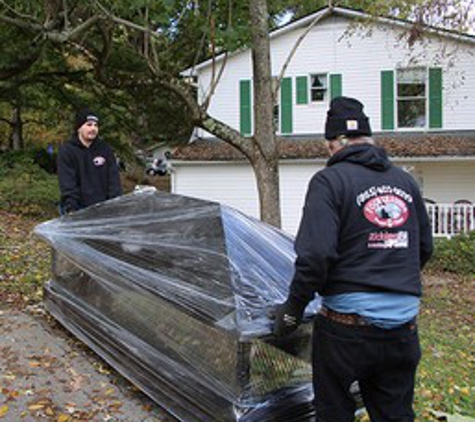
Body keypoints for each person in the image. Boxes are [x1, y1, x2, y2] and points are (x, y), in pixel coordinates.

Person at [273, 96, 433, 421]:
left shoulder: (329, 181)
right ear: (369, 138)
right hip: (403, 329)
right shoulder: (405, 182)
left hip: (347, 332)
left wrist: (292, 308)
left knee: (334, 413)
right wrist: (390, 274)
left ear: (334, 143)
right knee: (396, 415)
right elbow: (424, 247)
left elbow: (316, 255)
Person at [57, 108, 122, 214]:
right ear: (79, 128)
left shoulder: (105, 150)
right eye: (89, 124)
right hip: (79, 209)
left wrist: (114, 204)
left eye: (96, 125)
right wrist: (71, 209)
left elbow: (114, 181)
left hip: (104, 209)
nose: (93, 128)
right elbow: (67, 184)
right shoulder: (67, 151)